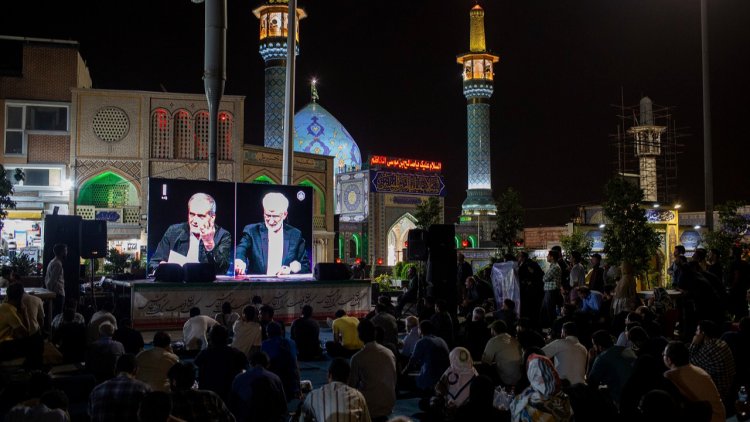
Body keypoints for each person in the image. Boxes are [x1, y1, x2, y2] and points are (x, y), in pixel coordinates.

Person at [148, 192, 233, 275]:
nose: (194, 221)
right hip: (176, 286)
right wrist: (161, 270)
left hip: (206, 287)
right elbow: (153, 264)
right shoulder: (173, 231)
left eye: (200, 216)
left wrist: (209, 245)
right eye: (192, 214)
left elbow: (222, 270)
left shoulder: (223, 235)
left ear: (212, 217)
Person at [234, 192, 310, 276]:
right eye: (268, 215)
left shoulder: (295, 235)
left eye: (275, 216)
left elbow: (305, 266)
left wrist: (290, 270)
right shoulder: (252, 231)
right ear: (263, 212)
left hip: (285, 286)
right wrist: (239, 261)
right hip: (257, 286)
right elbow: (242, 248)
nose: (270, 221)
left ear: (284, 215)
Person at [663, 341, 725, 422]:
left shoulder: (671, 376)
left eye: (664, 354)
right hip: (721, 416)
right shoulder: (698, 369)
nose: (662, 355)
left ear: (669, 360)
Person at [348, 319, 397, 421]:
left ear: (359, 335)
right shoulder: (389, 352)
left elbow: (351, 386)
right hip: (389, 403)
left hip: (370, 407)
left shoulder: (358, 357)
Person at [300, 358, 371, 422]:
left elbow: (303, 419)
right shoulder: (358, 396)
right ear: (348, 377)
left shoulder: (313, 396)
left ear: (329, 375)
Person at [510, 354, 573, 422]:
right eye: (536, 375)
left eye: (545, 374)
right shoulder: (563, 396)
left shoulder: (526, 400)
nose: (542, 379)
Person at [88, 354, 151, 422]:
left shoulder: (96, 390)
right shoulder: (144, 389)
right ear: (135, 370)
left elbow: (91, 415)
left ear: (115, 369)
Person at [193, 325, 248, 402]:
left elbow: (196, 367)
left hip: (209, 397)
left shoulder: (204, 354)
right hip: (230, 397)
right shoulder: (236, 354)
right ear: (227, 338)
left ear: (211, 338)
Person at [688, 319, 736, 405]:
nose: (695, 333)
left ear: (703, 333)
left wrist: (694, 343)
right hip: (729, 386)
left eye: (697, 330)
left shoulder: (708, 349)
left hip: (719, 392)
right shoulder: (721, 342)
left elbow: (688, 362)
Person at [229, 351, 286, 422]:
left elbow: (233, 404)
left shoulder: (239, 378)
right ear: (268, 364)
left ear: (250, 363)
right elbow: (282, 405)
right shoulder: (275, 378)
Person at [167, 362, 235, 422]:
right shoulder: (210, 396)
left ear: (174, 382)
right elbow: (230, 419)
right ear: (193, 381)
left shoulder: (167, 401)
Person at [587, 329, 636, 406]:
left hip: (620, 398)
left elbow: (591, 383)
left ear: (599, 346)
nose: (593, 347)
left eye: (593, 345)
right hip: (636, 393)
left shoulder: (602, 358)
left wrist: (590, 361)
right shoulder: (625, 349)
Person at [0, 283, 43, 367]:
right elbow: (26, 333)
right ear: (21, 298)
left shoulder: (5, 307)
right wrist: (25, 313)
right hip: (2, 347)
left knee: (33, 342)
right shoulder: (8, 310)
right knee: (37, 341)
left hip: (4, 345)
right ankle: (35, 370)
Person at [403, 320, 450, 395]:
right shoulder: (441, 340)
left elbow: (412, 362)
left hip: (430, 379)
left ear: (420, 330)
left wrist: (403, 374)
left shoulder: (422, 341)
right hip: (445, 378)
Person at [262, 321, 301, 400]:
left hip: (274, 384)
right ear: (281, 331)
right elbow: (295, 364)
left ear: (267, 333)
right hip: (292, 384)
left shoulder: (265, 344)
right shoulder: (291, 343)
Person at [434, 347, 477, 415]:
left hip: (449, 408)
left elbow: (438, 388)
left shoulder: (449, 371)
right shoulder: (474, 372)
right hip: (469, 409)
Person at [481, 320, 523, 387]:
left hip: (506, 379)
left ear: (494, 330)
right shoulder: (513, 339)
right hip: (519, 377)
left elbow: (485, 361)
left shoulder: (493, 341)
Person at [541, 249, 562, 328]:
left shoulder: (555, 267)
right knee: (546, 311)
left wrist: (544, 276)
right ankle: (549, 327)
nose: (547, 257)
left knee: (550, 311)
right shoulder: (552, 266)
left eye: (548, 255)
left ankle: (553, 328)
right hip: (549, 291)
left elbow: (545, 279)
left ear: (552, 257)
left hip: (551, 291)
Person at [44, 243, 67, 319]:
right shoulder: (58, 264)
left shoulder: (52, 262)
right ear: (61, 252)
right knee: (57, 316)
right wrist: (50, 293)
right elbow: (52, 280)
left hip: (54, 293)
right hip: (58, 293)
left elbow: (47, 278)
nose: (66, 252)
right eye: (65, 250)